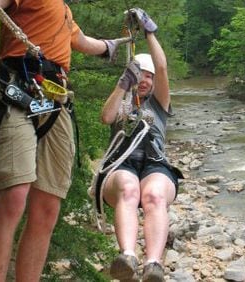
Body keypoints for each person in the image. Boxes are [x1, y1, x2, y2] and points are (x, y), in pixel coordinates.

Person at [0, 0, 128, 281]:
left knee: (48, 206)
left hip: (56, 101)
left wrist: (116, 44)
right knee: (14, 194)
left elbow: (81, 40)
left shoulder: (64, 10)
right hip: (18, 88)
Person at [100, 7, 183, 282]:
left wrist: (149, 32)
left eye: (148, 76)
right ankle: (128, 256)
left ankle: (153, 264)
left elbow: (161, 66)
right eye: (140, 75)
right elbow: (107, 117)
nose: (145, 80)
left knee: (155, 196)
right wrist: (124, 83)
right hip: (121, 165)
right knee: (128, 187)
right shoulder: (122, 97)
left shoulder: (159, 104)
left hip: (154, 165)